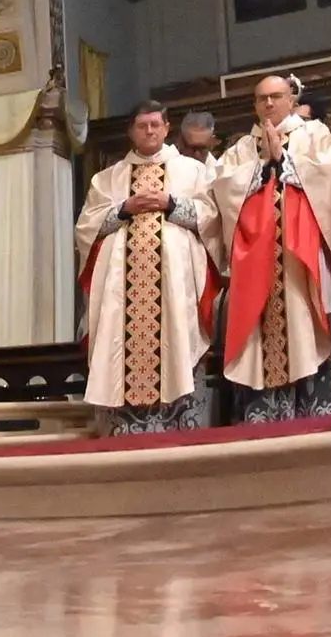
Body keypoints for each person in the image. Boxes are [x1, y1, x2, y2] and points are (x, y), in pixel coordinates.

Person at [73, 101, 221, 435]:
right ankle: (126, 436)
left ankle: (180, 432)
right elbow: (85, 228)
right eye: (142, 125)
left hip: (175, 290)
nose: (150, 131)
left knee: (177, 349)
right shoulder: (107, 178)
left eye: (156, 124)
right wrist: (124, 209)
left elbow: (214, 220)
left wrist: (172, 204)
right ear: (131, 131)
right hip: (120, 296)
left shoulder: (193, 171)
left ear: (167, 127)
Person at [211, 74, 331, 423]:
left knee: (307, 326)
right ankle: (266, 419)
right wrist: (260, 166)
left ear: (292, 99)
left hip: (302, 261)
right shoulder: (241, 148)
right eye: (262, 99)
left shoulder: (314, 135)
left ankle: (315, 417)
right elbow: (224, 189)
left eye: (276, 96)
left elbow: (328, 177)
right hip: (260, 263)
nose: (269, 104)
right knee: (261, 335)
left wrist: (284, 160)